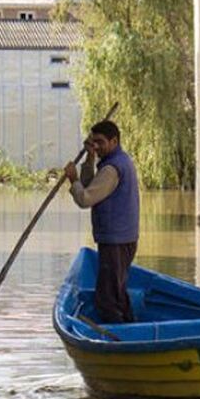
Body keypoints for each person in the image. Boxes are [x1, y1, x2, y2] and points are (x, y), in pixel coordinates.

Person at [65, 120, 140, 324]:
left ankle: (118, 338)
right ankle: (128, 327)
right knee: (117, 292)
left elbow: (85, 198)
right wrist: (89, 158)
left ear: (114, 141)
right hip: (121, 238)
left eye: (100, 142)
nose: (96, 146)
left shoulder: (112, 169)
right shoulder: (115, 161)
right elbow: (90, 184)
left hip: (116, 240)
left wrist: (73, 180)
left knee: (107, 298)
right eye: (93, 142)